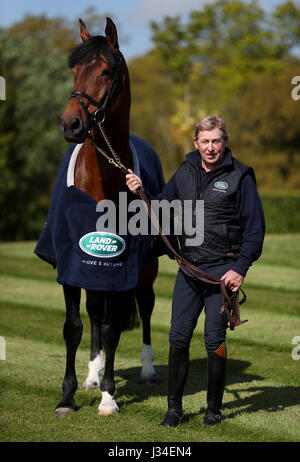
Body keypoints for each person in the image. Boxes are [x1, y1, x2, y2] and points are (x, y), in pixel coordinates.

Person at [126, 116, 265, 426]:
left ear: (225, 142)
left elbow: (255, 230)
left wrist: (240, 269)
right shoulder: (185, 172)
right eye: (205, 141)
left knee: (213, 339)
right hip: (188, 270)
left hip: (221, 274)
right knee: (177, 337)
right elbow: (160, 207)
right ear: (196, 144)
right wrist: (140, 190)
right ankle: (173, 409)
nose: (211, 147)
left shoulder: (240, 176)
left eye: (216, 141)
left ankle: (213, 409)